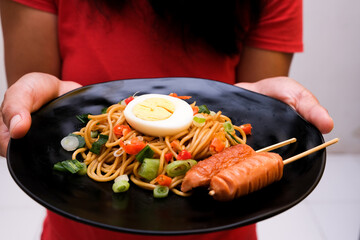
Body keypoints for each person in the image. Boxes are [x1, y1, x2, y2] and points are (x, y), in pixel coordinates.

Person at [0, 0, 334, 239]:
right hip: (79, 225)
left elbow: (256, 112)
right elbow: (39, 112)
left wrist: (263, 106)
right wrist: (39, 99)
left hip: (220, 222)